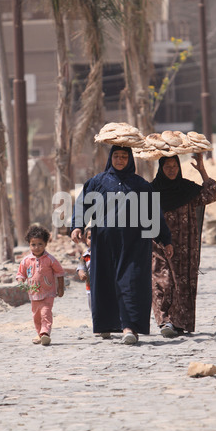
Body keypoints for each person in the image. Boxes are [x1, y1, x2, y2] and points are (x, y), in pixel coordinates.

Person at [71, 145, 172, 344]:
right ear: (110, 158)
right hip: (105, 243)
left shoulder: (141, 185)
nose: (119, 160)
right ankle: (107, 324)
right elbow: (83, 204)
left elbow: (154, 213)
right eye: (116, 156)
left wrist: (165, 239)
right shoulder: (97, 182)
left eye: (124, 156)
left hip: (135, 244)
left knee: (132, 283)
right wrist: (77, 225)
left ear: (130, 159)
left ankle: (130, 328)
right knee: (106, 282)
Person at [151, 153, 216, 338]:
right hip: (159, 246)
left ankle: (179, 323)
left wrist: (202, 169)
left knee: (182, 284)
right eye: (167, 166)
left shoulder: (187, 189)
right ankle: (166, 321)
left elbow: (211, 195)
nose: (171, 170)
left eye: (174, 166)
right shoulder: (152, 190)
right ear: (161, 168)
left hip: (186, 246)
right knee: (163, 282)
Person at [16, 225, 65, 346]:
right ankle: (40, 334)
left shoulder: (50, 259)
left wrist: (60, 288)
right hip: (33, 294)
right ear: (29, 244)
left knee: (45, 313)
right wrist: (21, 282)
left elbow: (60, 273)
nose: (37, 247)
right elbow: (20, 274)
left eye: (40, 244)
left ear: (45, 244)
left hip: (48, 293)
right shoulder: (26, 260)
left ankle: (45, 333)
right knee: (36, 316)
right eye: (33, 244)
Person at [76, 226, 92, 310]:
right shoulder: (85, 256)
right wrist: (81, 273)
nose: (93, 240)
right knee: (93, 308)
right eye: (90, 238)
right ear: (85, 240)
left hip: (106, 286)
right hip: (90, 287)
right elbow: (80, 267)